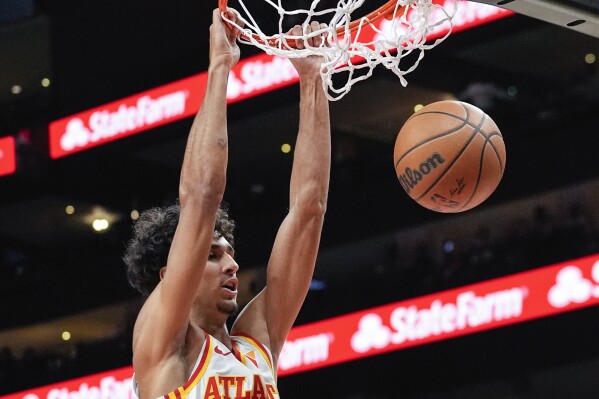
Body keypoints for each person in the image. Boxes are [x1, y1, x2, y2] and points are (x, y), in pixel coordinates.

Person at [123, 8, 331, 399]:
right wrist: (220, 66)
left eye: (229, 253)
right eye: (213, 255)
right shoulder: (166, 344)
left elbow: (310, 209)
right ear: (170, 273)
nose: (233, 264)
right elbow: (201, 198)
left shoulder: (257, 343)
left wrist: (311, 78)